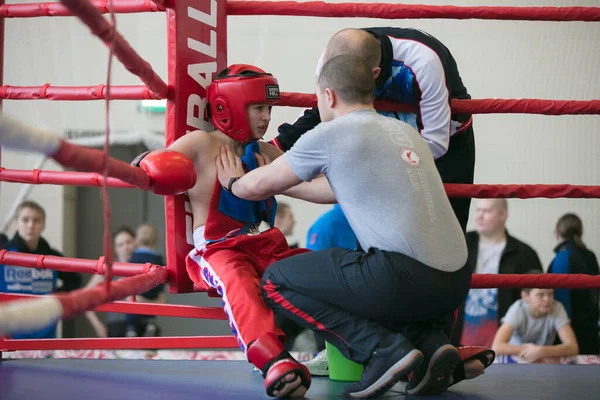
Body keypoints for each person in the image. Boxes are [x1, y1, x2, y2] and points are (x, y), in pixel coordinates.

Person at [215, 54, 473, 397]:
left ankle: (380, 350)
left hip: (403, 278)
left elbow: (253, 188)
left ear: (329, 96)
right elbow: (329, 190)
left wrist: (234, 181)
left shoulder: (331, 133)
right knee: (369, 279)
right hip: (455, 287)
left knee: (277, 280)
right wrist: (279, 180)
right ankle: (431, 345)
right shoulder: (405, 132)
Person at [131, 64, 313, 398]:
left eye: (269, 109)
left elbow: (312, 182)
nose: (266, 117)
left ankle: (368, 347)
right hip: (221, 249)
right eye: (258, 108)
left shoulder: (265, 152)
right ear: (226, 107)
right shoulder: (201, 144)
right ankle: (272, 361)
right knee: (237, 282)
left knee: (319, 270)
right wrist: (145, 161)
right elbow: (153, 166)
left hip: (267, 244)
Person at [272, 27, 475, 233]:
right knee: (374, 231)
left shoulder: (423, 63)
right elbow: (320, 111)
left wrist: (367, 164)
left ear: (374, 73)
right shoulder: (331, 60)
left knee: (444, 234)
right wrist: (275, 146)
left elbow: (435, 144)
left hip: (444, 146)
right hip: (378, 139)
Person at [455, 199, 544, 348]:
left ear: (502, 214)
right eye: (478, 210)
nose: (479, 216)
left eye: (486, 211)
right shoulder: (460, 244)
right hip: (459, 342)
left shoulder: (524, 254)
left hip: (507, 347)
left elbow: (536, 299)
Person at [0, 201, 84, 339]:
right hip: (9, 332)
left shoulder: (53, 256)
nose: (30, 225)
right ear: (16, 222)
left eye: (36, 220)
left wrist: (55, 298)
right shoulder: (3, 253)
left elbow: (75, 279)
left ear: (43, 224)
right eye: (25, 220)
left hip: (44, 334)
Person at [547, 213, 600, 354]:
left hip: (571, 336)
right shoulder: (590, 255)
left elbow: (560, 304)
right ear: (580, 232)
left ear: (557, 233)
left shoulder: (562, 259)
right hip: (592, 331)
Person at [491, 286, 579, 363]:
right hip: (518, 355)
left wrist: (541, 351)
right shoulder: (518, 309)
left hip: (543, 357)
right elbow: (497, 346)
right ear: (525, 296)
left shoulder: (557, 308)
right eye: (540, 295)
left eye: (550, 294)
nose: (547, 299)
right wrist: (532, 352)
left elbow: (572, 347)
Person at [125, 223, 166, 337]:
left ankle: (131, 328)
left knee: (132, 310)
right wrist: (159, 290)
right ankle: (151, 324)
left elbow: (129, 274)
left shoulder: (134, 257)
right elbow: (164, 275)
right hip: (152, 291)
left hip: (137, 291)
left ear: (137, 240)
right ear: (155, 241)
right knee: (151, 310)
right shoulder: (158, 258)